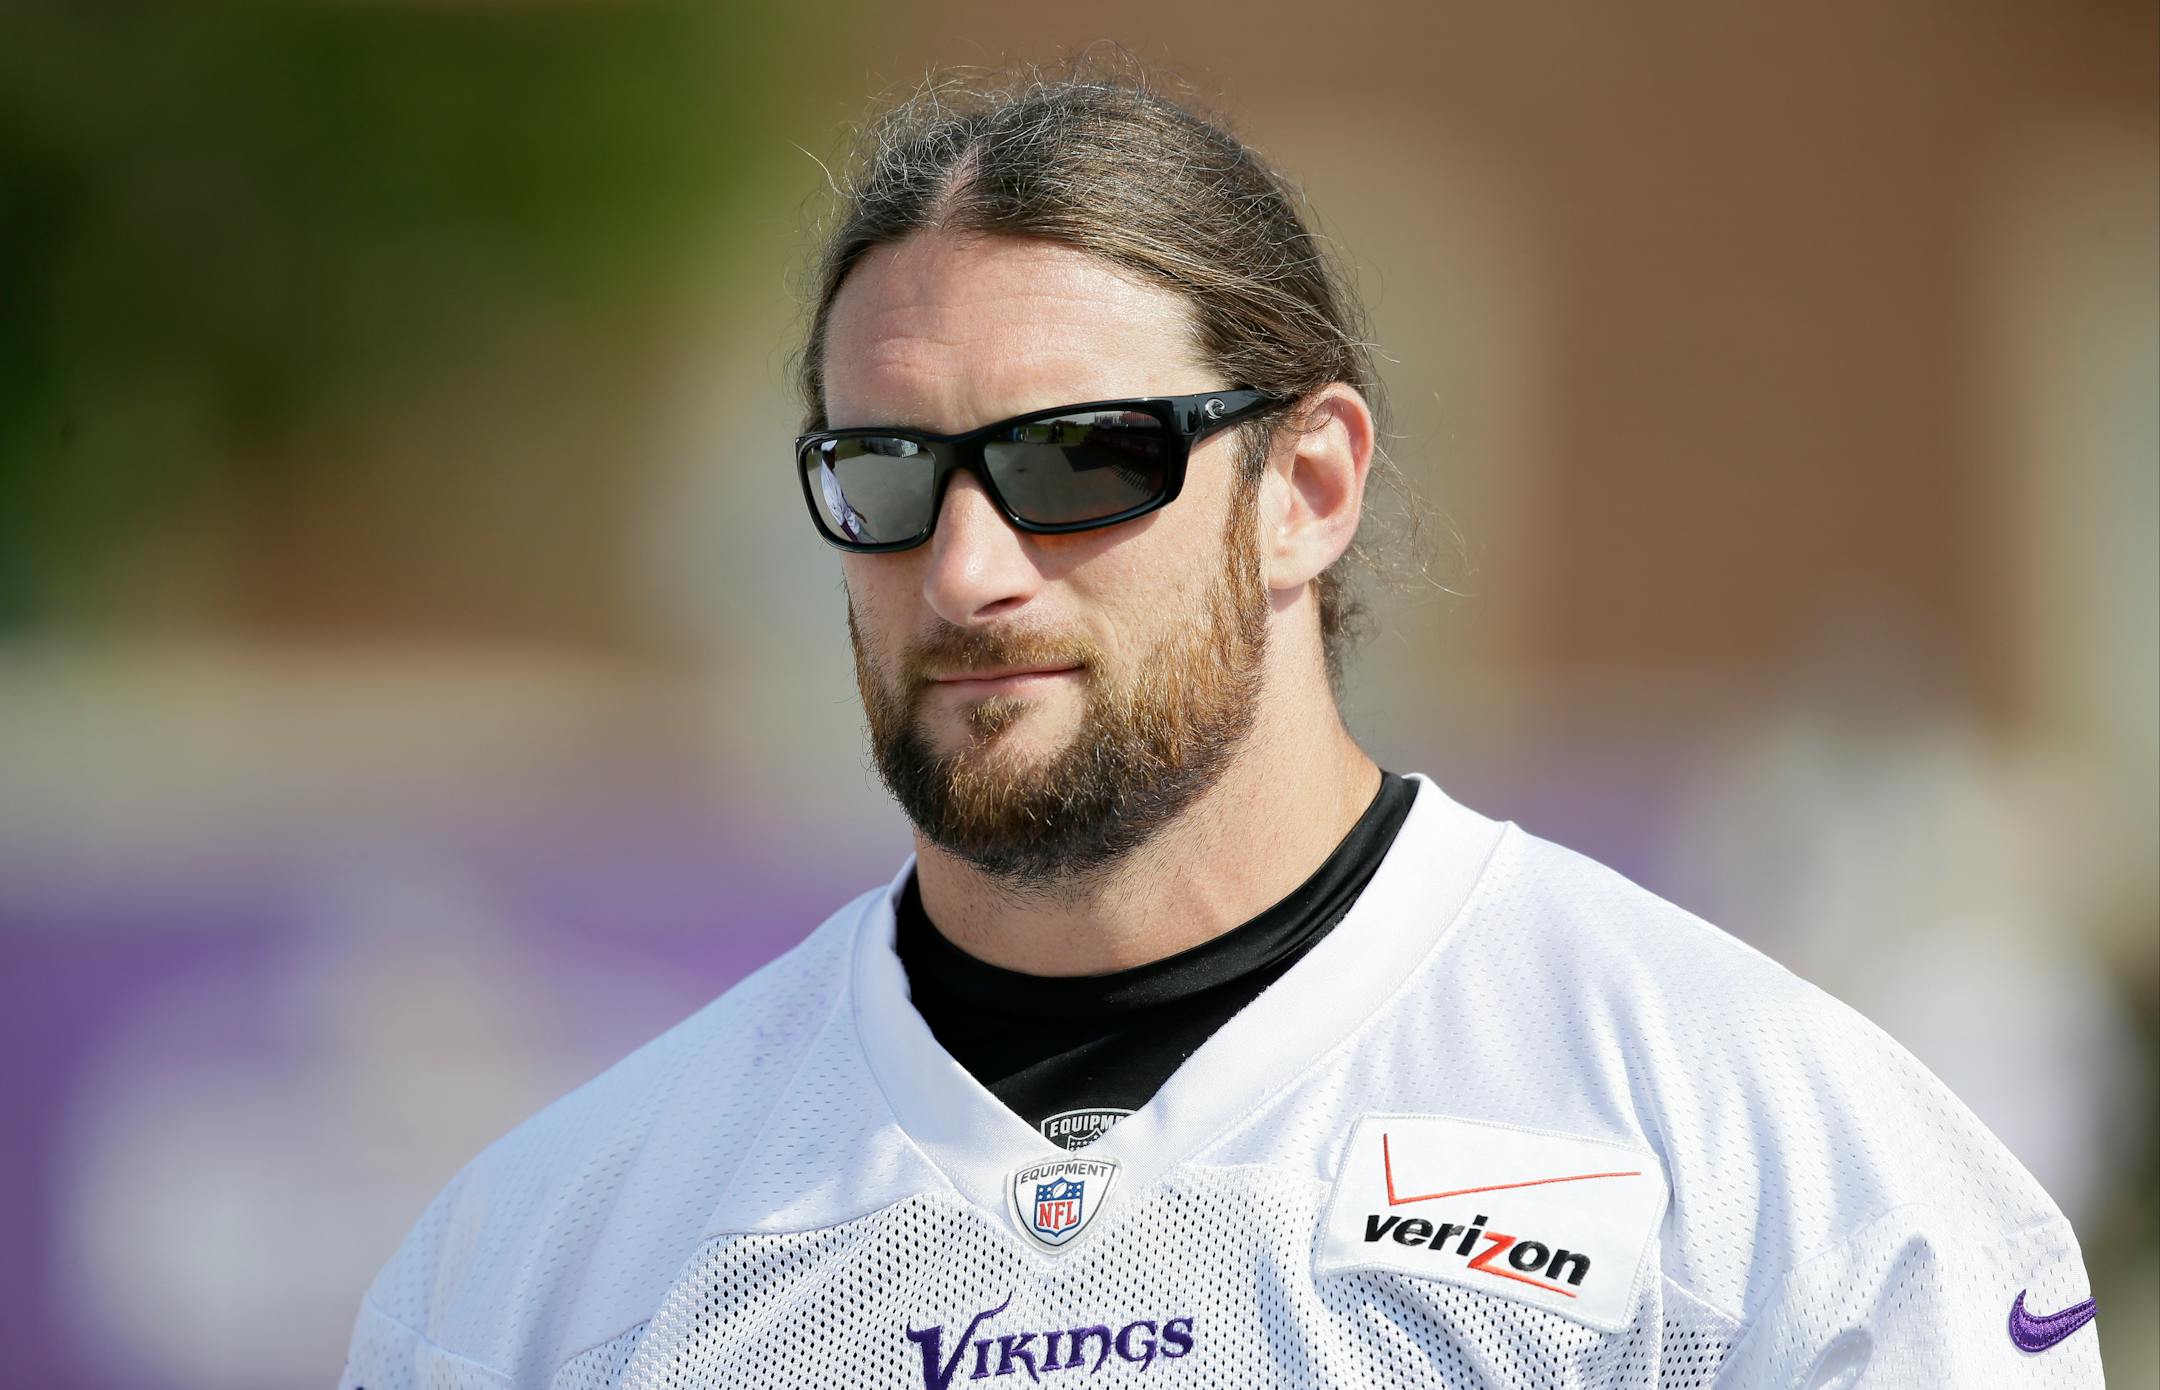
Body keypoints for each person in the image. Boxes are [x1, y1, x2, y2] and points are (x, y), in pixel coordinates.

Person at [339, 69, 2102, 1390]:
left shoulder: (1774, 1164)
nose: (967, 567)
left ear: (1306, 488)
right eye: (886, 471)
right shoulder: (544, 1267)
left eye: (1077, 458)